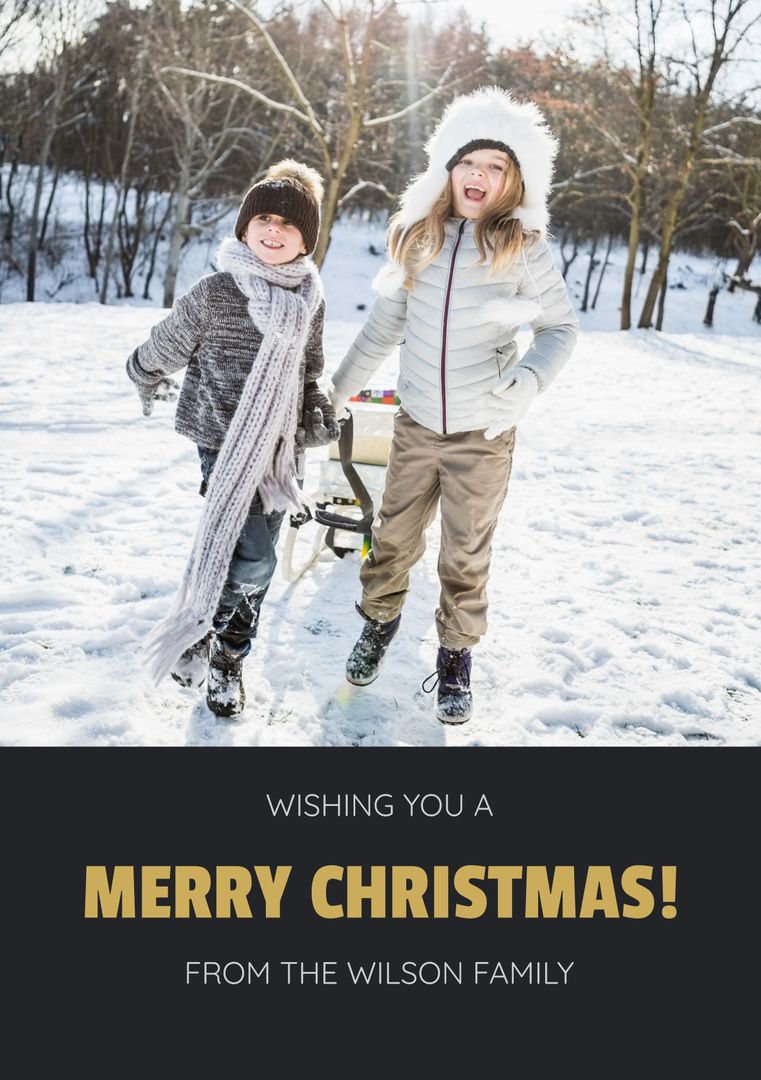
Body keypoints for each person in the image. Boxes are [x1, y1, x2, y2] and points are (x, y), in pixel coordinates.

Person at [329, 86, 579, 725]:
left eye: (497, 166)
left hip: (484, 433)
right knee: (389, 541)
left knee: (466, 554)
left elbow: (560, 330)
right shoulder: (419, 238)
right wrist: (333, 392)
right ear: (448, 167)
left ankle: (455, 659)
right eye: (471, 161)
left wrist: (523, 387)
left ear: (514, 179)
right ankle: (378, 625)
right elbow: (382, 329)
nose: (481, 175)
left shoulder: (524, 246)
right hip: (415, 425)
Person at [126, 160, 338, 717]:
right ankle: (196, 631)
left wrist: (315, 406)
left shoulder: (309, 297)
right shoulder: (216, 291)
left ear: (305, 239)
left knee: (252, 561)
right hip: (220, 439)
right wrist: (142, 370)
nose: (274, 230)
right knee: (253, 562)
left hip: (278, 452)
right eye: (263, 218)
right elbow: (167, 344)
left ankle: (229, 661)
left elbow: (309, 369)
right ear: (245, 226)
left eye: (288, 225)